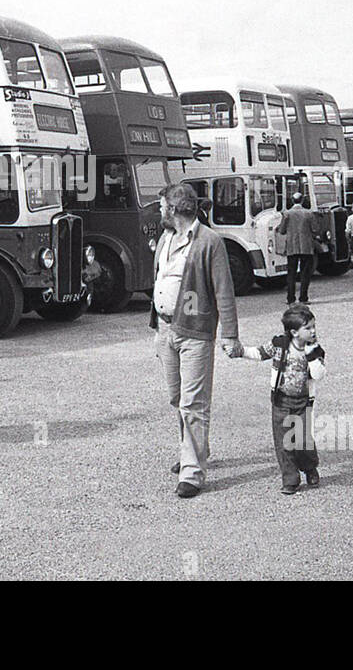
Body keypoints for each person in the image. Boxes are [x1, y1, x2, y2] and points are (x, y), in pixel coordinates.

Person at [150, 183, 241, 498]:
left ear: (173, 210)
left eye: (162, 206)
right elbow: (160, 281)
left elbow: (223, 290)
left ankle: (192, 471)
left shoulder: (209, 241)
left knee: (193, 403)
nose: (159, 211)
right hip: (166, 330)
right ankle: (193, 449)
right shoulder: (166, 238)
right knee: (177, 398)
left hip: (195, 333)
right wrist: (156, 329)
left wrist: (229, 334)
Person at [235, 304, 326, 496]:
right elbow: (259, 353)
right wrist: (240, 351)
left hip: (303, 401)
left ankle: (309, 467)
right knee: (283, 442)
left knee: (302, 440)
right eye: (308, 328)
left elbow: (318, 374)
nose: (313, 331)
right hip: (281, 400)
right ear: (294, 332)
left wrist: (311, 354)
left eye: (313, 326)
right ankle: (290, 478)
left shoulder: (316, 350)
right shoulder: (280, 345)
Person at [277, 192, 318, 304]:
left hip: (292, 246)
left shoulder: (287, 214)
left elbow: (282, 230)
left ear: (292, 200)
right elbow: (315, 229)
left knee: (291, 273)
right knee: (305, 273)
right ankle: (303, 298)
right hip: (306, 247)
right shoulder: (308, 213)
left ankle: (290, 299)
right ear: (303, 200)